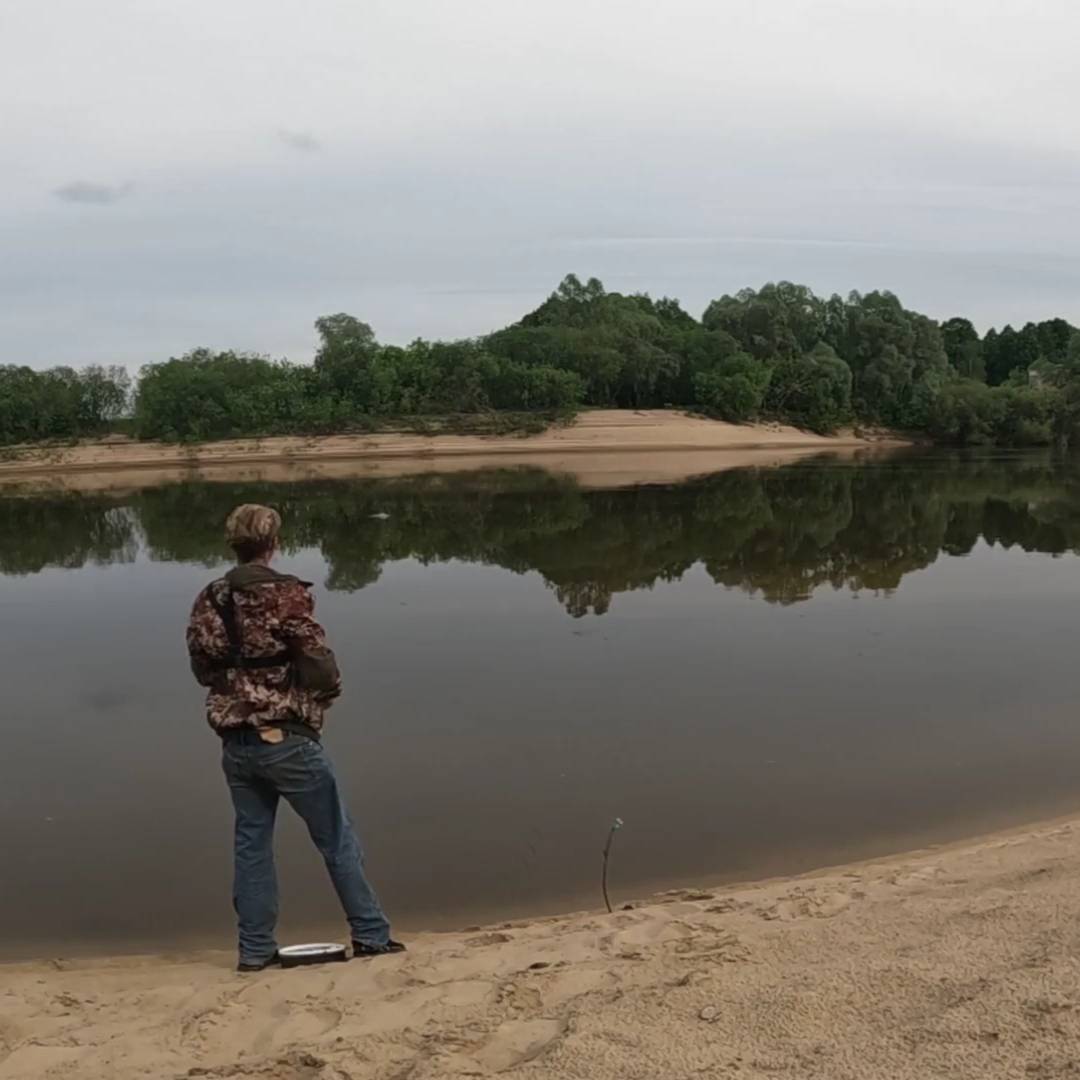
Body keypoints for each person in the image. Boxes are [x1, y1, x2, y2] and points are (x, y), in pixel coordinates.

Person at [186, 503, 403, 972]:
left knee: (252, 846)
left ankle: (254, 950)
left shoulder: (209, 597)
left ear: (234, 543)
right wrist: (322, 697)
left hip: (236, 742)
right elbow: (318, 660)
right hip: (287, 737)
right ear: (273, 543)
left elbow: (202, 668)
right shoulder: (286, 592)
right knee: (336, 839)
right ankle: (371, 935)